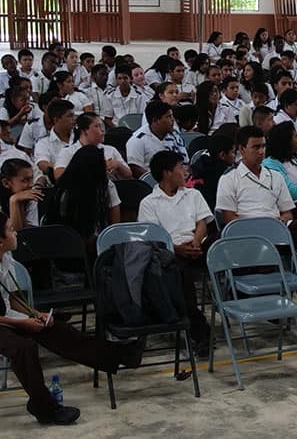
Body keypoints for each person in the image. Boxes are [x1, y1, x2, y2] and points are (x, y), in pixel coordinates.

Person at [0, 210, 142, 425]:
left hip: (9, 317)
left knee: (57, 329)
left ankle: (120, 355)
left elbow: (11, 299)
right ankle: (45, 408)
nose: (16, 233)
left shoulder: (6, 259)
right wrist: (22, 323)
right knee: (23, 348)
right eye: (10, 230)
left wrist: (35, 314)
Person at [137, 151, 213, 352]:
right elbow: (154, 238)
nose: (185, 171)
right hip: (170, 251)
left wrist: (196, 241)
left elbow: (202, 223)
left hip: (197, 245)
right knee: (177, 270)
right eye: (180, 167)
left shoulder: (193, 194)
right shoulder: (149, 203)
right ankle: (198, 329)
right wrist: (178, 249)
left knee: (222, 244)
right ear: (167, 173)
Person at [216, 126, 295, 226]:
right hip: (247, 233)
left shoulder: (276, 176)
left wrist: (282, 221)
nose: (261, 152)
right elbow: (229, 218)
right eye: (256, 147)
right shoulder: (228, 180)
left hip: (276, 227)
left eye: (263, 146)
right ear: (241, 149)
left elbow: (287, 213)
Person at [44, 145, 122, 245]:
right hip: (66, 241)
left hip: (98, 241)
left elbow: (114, 225)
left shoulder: (107, 186)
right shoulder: (64, 190)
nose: (106, 165)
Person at [53, 112, 131, 180]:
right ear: (84, 131)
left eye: (102, 126)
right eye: (97, 126)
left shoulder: (110, 150)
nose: (102, 130)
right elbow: (58, 175)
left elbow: (128, 174)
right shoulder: (68, 152)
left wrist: (117, 165)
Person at [126, 101, 183, 178]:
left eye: (172, 116)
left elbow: (184, 162)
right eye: (168, 117)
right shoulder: (137, 140)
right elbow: (135, 168)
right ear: (155, 120)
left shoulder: (174, 135)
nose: (173, 120)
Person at [191, 134, 235, 211]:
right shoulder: (225, 174)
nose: (235, 156)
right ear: (222, 155)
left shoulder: (198, 165)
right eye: (233, 152)